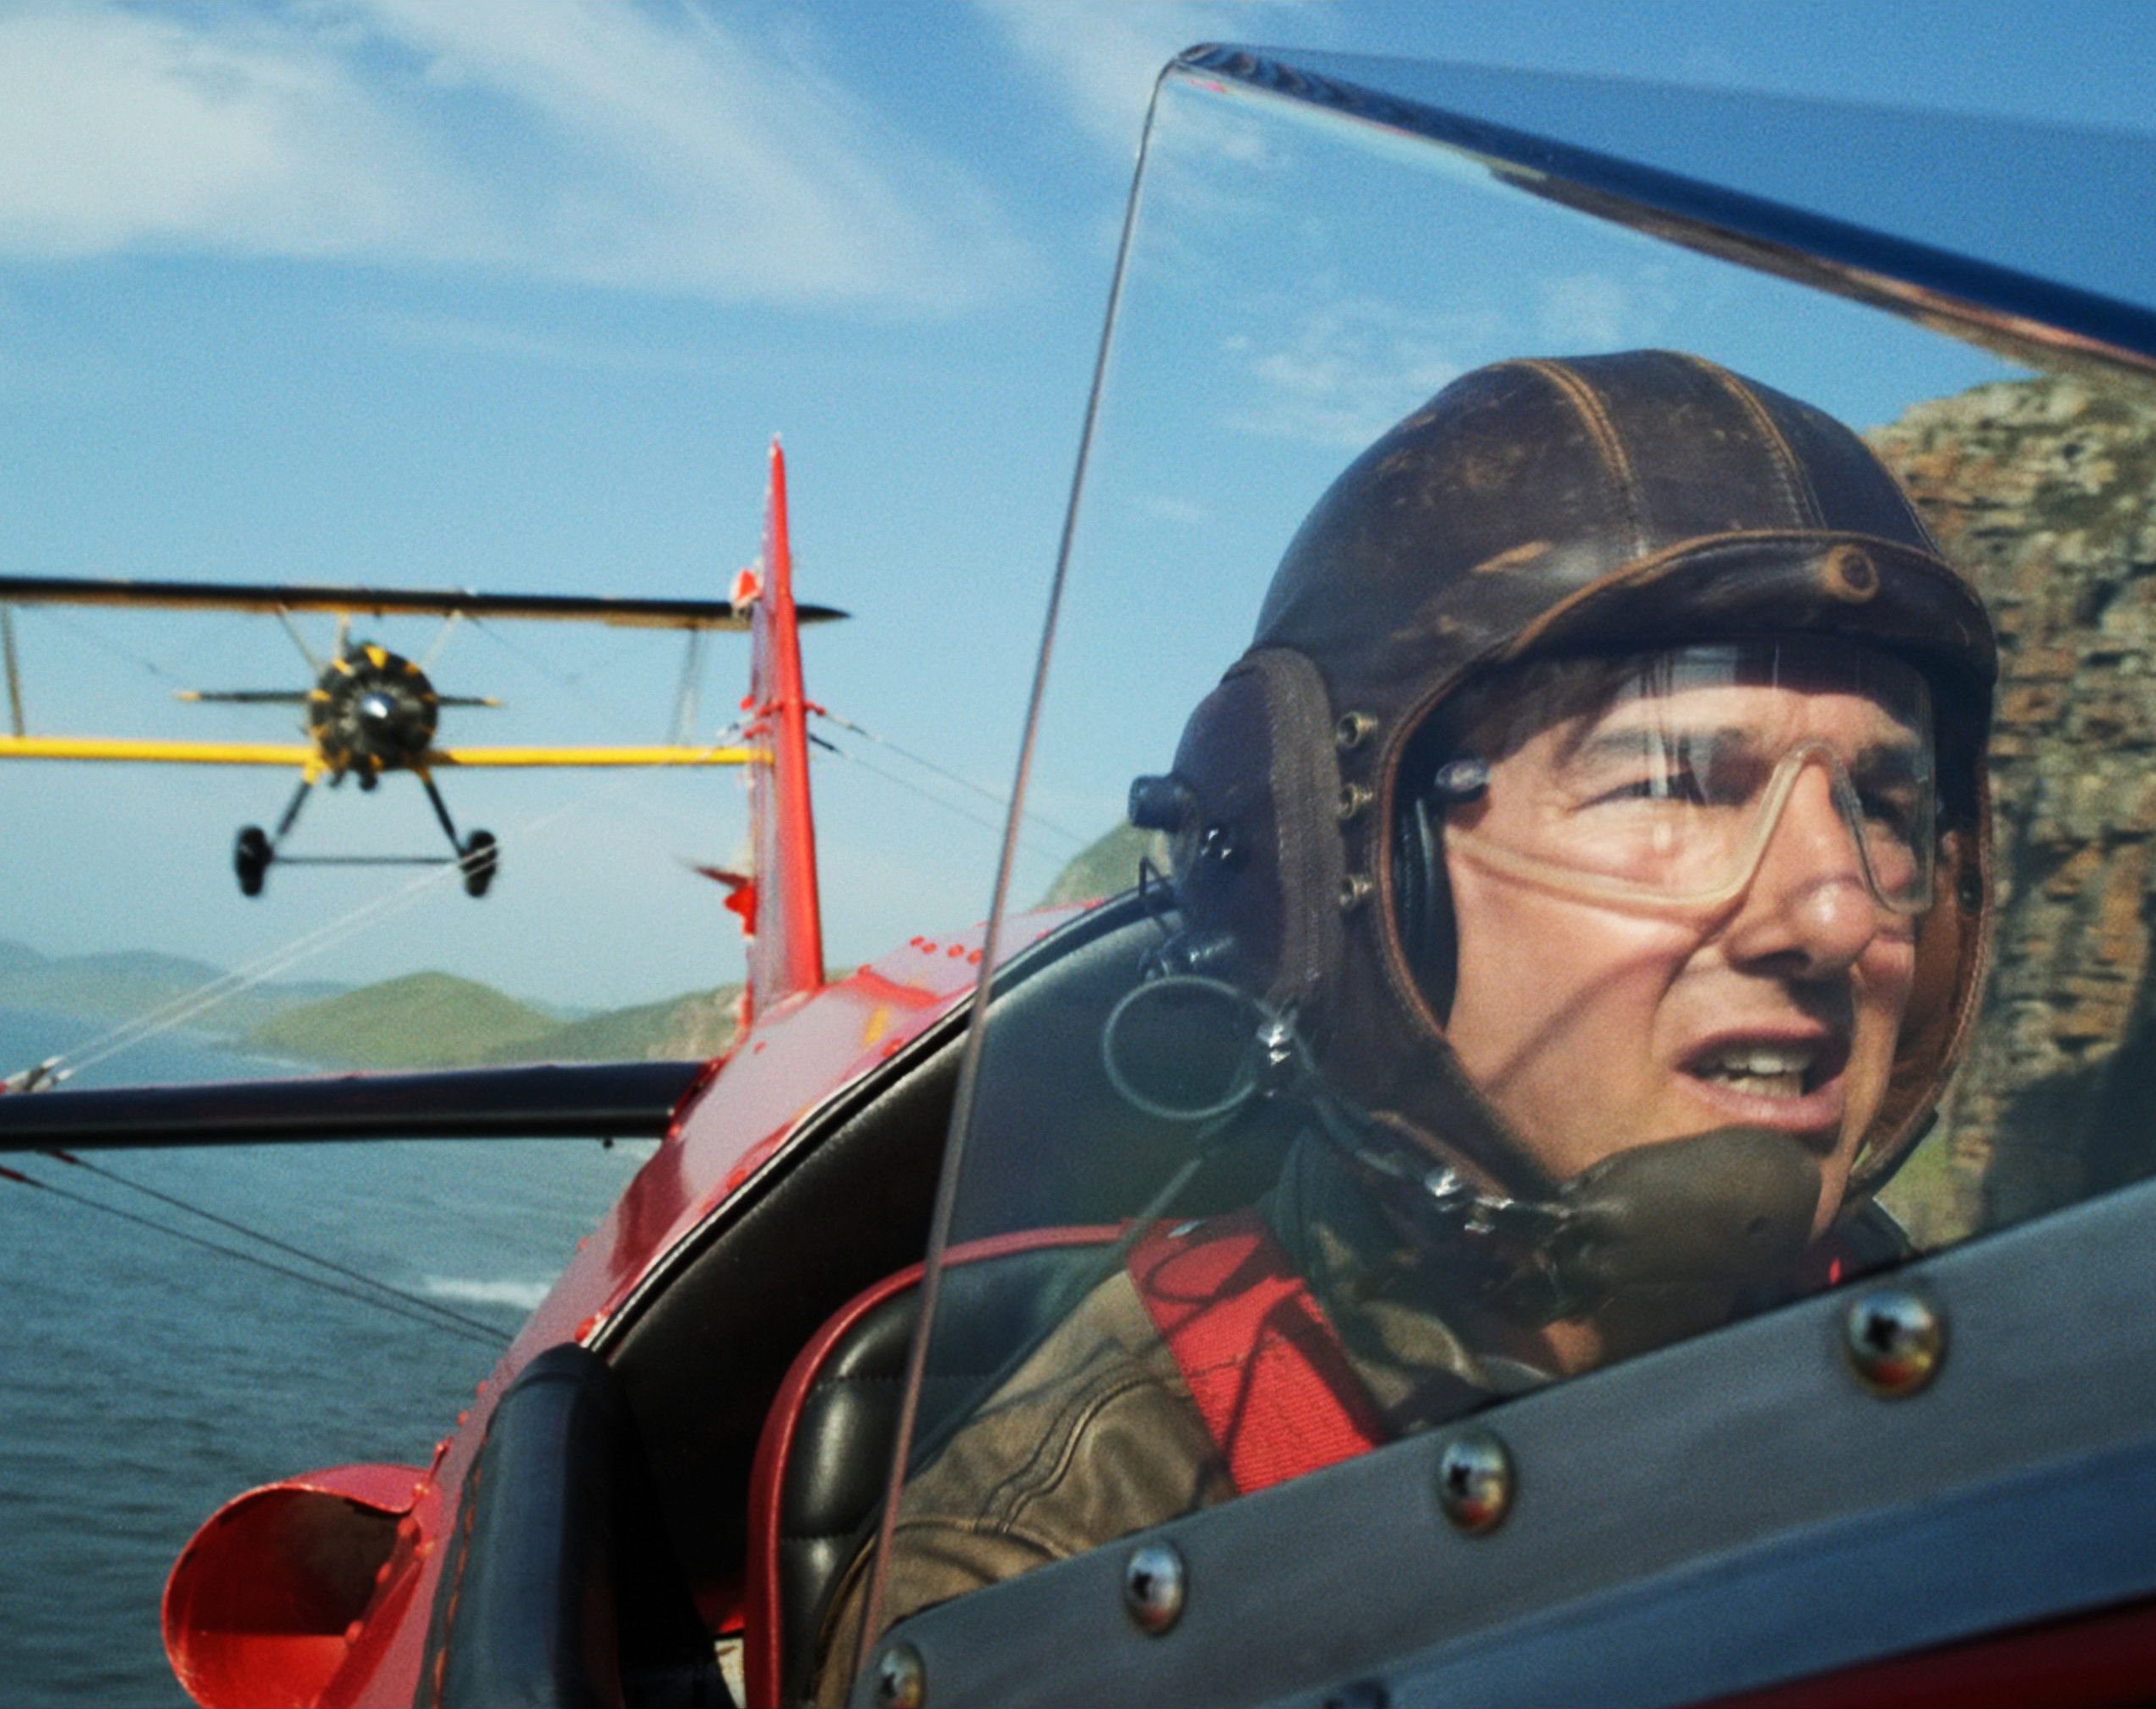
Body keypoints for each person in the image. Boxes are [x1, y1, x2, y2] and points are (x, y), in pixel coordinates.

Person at [813, 350, 1996, 1699]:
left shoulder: (1977, 1359)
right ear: (1349, 880)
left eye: (1882, 809)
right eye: (1673, 786)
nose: (1835, 913)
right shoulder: (1051, 1589)